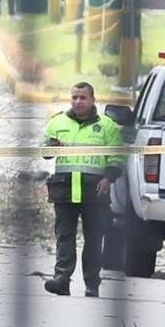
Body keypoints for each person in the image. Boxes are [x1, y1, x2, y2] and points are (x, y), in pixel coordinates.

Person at [42, 82, 123, 297]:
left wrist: (108, 179)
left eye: (83, 97)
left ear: (93, 100)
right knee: (64, 237)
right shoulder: (57, 122)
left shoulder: (107, 126)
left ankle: (92, 284)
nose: (78, 101)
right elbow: (44, 151)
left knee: (94, 240)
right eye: (75, 97)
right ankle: (61, 279)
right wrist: (50, 147)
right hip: (65, 190)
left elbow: (117, 157)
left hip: (94, 192)